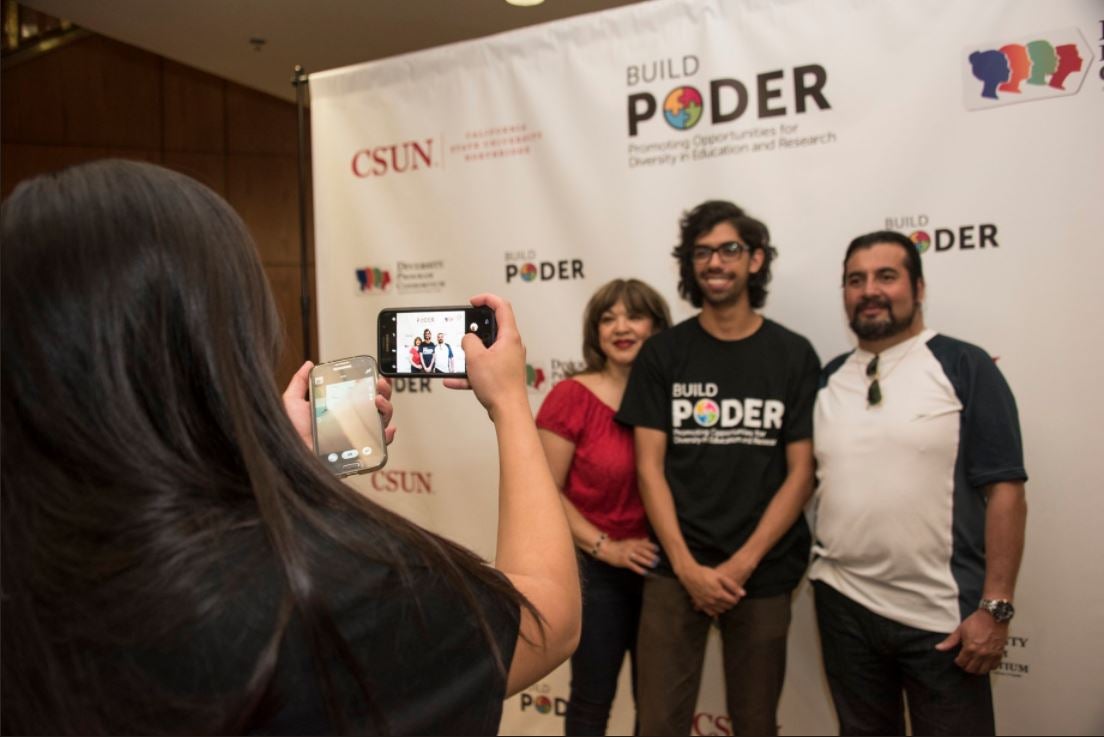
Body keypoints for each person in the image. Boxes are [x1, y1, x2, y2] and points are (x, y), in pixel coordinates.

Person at [0, 160, 580, 735]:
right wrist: (508, 400)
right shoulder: (335, 596)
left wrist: (267, 463)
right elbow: (546, 614)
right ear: (221, 344)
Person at [810, 231, 1028, 736]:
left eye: (886, 276)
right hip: (844, 608)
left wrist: (995, 608)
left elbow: (1007, 493)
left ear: (919, 287)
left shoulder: (963, 365)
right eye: (855, 280)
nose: (870, 290)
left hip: (942, 619)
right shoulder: (828, 379)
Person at [617, 200, 820, 735]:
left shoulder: (794, 354)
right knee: (658, 723)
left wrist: (742, 564)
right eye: (701, 252)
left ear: (755, 260)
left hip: (764, 571)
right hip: (674, 568)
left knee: (756, 723)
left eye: (729, 249)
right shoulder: (662, 354)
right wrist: (685, 566)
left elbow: (802, 473)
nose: (715, 262)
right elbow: (648, 467)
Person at [536, 279, 671, 736]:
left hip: (666, 571)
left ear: (656, 326)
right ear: (594, 332)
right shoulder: (571, 397)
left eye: (633, 315)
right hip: (598, 573)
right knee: (592, 702)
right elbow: (546, 490)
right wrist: (605, 547)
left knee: (658, 707)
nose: (620, 327)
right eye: (607, 318)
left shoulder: (679, 396)